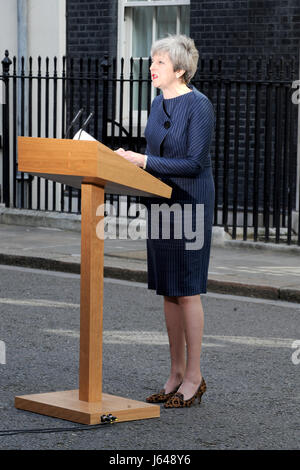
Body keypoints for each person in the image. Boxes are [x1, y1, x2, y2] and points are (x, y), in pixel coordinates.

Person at [115, 34, 215, 408]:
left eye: (159, 62)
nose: (152, 67)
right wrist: (132, 162)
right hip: (160, 203)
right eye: (152, 61)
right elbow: (154, 156)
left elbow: (193, 163)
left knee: (187, 289)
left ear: (180, 69)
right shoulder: (158, 104)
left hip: (190, 204)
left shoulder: (200, 106)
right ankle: (174, 373)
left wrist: (141, 160)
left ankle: (194, 376)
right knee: (168, 290)